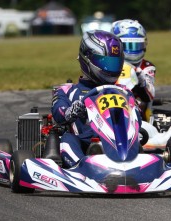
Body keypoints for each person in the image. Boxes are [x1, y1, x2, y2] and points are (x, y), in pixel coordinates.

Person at [51, 30, 141, 168]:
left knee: (138, 138)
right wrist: (72, 111)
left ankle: (135, 162)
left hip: (119, 142)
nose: (110, 69)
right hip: (84, 143)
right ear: (87, 58)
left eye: (114, 63)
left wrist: (134, 111)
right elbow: (58, 113)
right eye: (105, 62)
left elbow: (137, 121)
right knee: (67, 139)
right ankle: (82, 167)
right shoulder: (67, 90)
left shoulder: (124, 91)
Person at [111, 19, 155, 122]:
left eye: (136, 46)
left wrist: (141, 80)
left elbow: (150, 96)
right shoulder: (108, 64)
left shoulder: (146, 67)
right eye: (128, 46)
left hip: (136, 111)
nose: (132, 51)